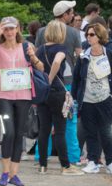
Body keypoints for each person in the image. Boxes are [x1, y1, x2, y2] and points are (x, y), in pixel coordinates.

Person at [0, 16, 43, 186]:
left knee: (19, 134)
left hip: (23, 96)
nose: (10, 32)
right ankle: (4, 172)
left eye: (12, 28)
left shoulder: (26, 46)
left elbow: (41, 68)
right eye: (6, 29)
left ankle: (14, 175)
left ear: (18, 29)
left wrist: (33, 57)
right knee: (8, 133)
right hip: (4, 96)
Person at [35, 20, 84, 176]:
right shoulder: (61, 48)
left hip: (42, 93)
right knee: (60, 130)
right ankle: (65, 165)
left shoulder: (40, 50)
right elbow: (57, 61)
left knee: (44, 130)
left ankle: (43, 165)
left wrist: (44, 81)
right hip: (57, 91)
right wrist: (50, 78)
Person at [72, 23, 112, 175]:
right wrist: (75, 98)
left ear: (100, 36)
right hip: (87, 100)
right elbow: (77, 79)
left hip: (105, 98)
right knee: (90, 132)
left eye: (92, 34)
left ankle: (111, 161)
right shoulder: (83, 56)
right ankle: (93, 161)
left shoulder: (109, 54)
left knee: (106, 131)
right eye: (87, 34)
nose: (88, 37)